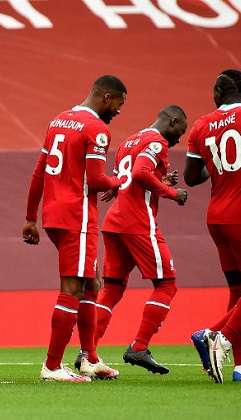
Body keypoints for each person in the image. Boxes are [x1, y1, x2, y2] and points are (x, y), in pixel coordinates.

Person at [22, 75, 127, 382]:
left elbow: (39, 172)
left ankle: (89, 358)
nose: (118, 111)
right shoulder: (97, 129)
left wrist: (30, 217)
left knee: (92, 282)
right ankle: (52, 365)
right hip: (77, 217)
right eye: (119, 103)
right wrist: (120, 180)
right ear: (106, 97)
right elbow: (96, 180)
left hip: (54, 214)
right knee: (72, 289)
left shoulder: (59, 121)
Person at [184, 69, 241, 383]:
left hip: (216, 218)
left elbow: (192, 177)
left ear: (216, 94)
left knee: (239, 290)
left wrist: (215, 163)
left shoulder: (201, 125)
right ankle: (219, 335)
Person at [94, 105, 188, 375]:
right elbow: (139, 174)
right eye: (180, 131)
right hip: (138, 222)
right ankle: (139, 346)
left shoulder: (128, 141)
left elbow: (123, 179)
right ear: (172, 121)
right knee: (166, 284)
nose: (178, 139)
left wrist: (159, 179)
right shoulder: (157, 142)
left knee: (112, 289)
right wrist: (171, 192)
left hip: (114, 221)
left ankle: (87, 352)